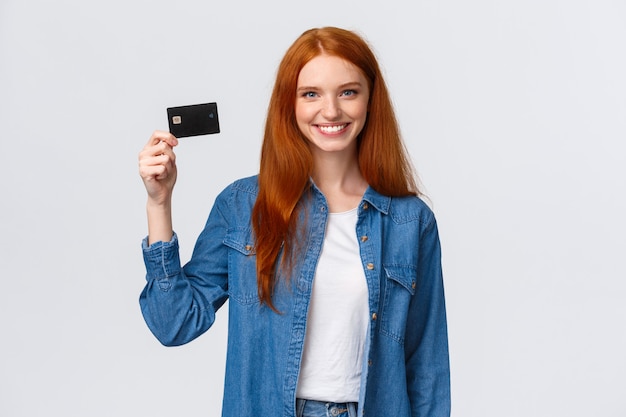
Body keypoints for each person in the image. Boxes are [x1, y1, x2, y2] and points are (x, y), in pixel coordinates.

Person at [138, 26, 450, 417]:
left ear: (371, 101)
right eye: (311, 94)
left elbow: (427, 369)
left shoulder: (410, 222)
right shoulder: (243, 206)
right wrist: (159, 203)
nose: (331, 110)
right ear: (291, 104)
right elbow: (174, 324)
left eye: (348, 92)